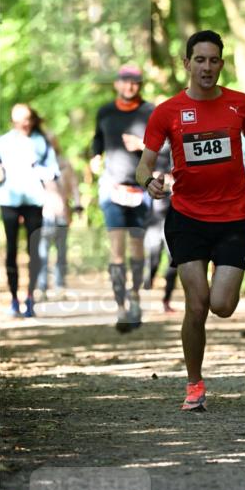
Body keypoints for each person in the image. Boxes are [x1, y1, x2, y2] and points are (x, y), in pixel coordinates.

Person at [136, 30, 245, 413]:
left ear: (221, 64)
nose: (207, 67)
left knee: (221, 305)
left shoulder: (240, 104)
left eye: (214, 60)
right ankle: (194, 384)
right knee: (197, 304)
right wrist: (149, 181)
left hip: (232, 219)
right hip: (187, 219)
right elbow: (144, 163)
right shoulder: (167, 111)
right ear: (186, 63)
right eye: (200, 60)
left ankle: (197, 375)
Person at [90, 65, 153, 332]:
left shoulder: (149, 112)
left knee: (137, 249)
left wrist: (141, 145)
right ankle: (120, 308)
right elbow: (97, 139)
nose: (130, 86)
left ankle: (135, 297)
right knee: (117, 249)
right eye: (125, 81)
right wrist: (95, 156)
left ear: (140, 85)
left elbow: (164, 146)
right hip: (112, 187)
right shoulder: (105, 111)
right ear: (117, 84)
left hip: (141, 189)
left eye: (135, 82)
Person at [0, 104, 59, 317]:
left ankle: (30, 297)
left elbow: (54, 171)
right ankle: (14, 299)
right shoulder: (3, 142)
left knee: (34, 250)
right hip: (9, 200)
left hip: (34, 201)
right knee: (12, 250)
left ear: (33, 120)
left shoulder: (41, 141)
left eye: (26, 119)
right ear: (13, 122)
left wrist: (37, 168)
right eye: (18, 121)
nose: (23, 124)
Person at [36, 135, 83, 300]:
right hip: (44, 214)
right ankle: (41, 287)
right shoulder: (38, 164)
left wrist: (78, 205)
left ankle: (59, 286)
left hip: (62, 213)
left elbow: (74, 186)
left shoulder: (64, 164)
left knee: (61, 251)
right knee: (42, 251)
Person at [143, 98, 178, 313]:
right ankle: (147, 282)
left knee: (174, 257)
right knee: (154, 255)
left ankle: (166, 300)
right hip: (157, 211)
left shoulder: (181, 138)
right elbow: (142, 168)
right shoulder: (151, 141)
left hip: (177, 209)